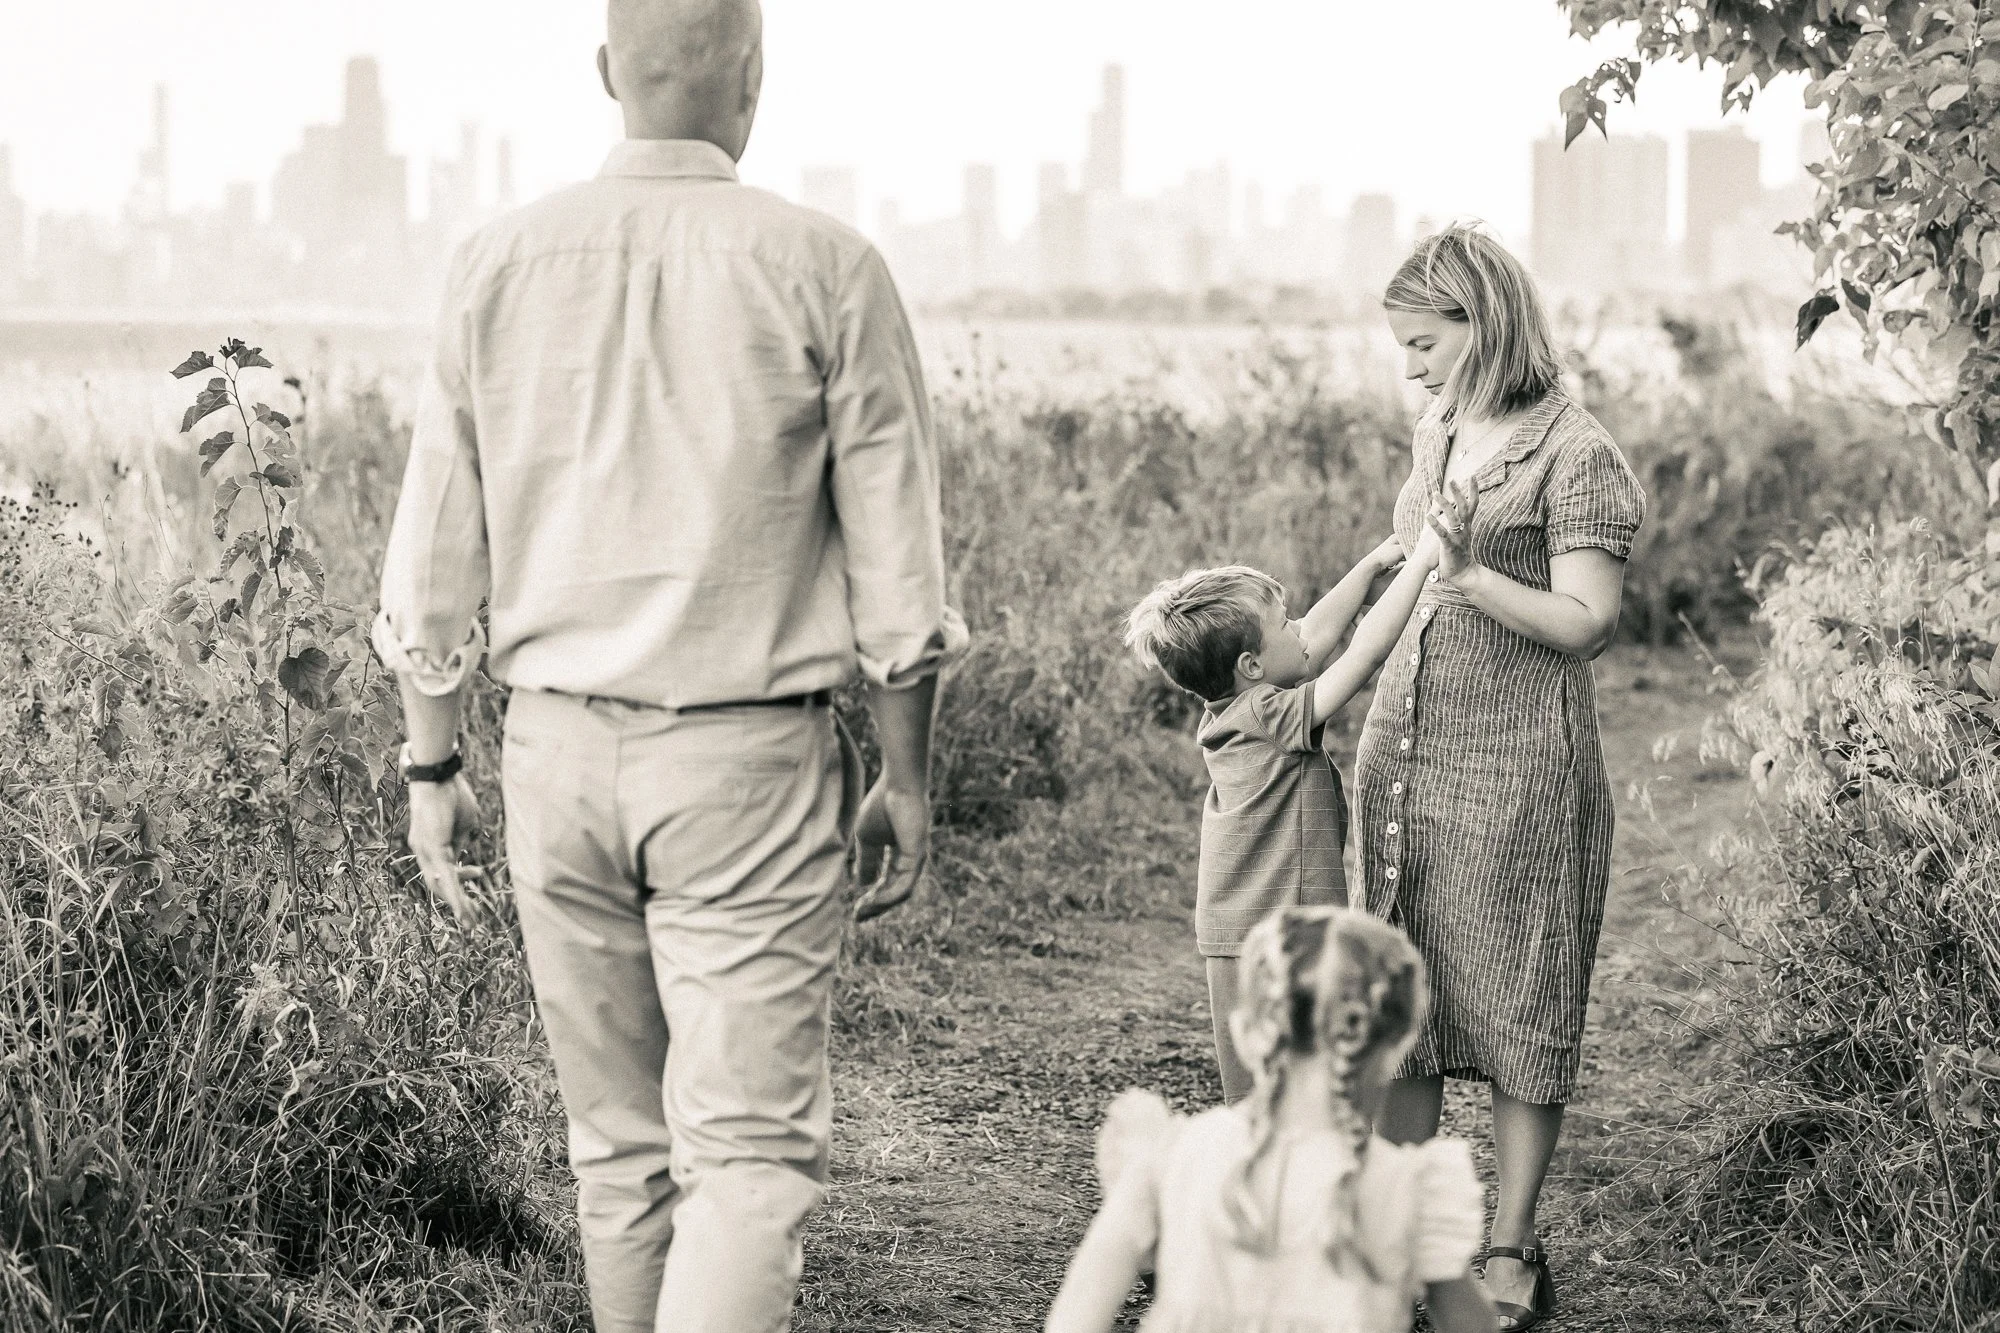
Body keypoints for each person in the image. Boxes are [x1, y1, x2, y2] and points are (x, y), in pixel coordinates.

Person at [371, 1, 965, 1329]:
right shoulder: (830, 268)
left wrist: (432, 764)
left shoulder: (493, 263)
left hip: (555, 753)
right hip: (749, 763)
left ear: (604, 74)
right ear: (755, 81)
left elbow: (432, 553)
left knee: (618, 1151)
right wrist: (908, 779)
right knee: (747, 1158)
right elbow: (899, 575)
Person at [1357, 224, 1647, 1331]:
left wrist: (1472, 578)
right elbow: (1404, 567)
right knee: (1408, 1003)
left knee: (1522, 1003)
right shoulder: (1440, 428)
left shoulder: (1576, 455)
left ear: (1483, 324)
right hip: (1408, 753)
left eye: (1425, 343)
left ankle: (1509, 1247)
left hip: (1522, 767)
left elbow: (1585, 622)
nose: (1412, 367)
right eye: (1403, 347)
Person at [1122, 512, 1461, 1104]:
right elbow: (1361, 656)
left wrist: (1373, 565)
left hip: (1233, 931)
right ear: (1252, 668)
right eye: (1284, 626)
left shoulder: (1234, 707)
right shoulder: (1270, 716)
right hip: (1286, 934)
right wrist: (1424, 563)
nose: (1300, 633)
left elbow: (1317, 635)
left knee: (1254, 1102)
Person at [1044, 906, 1497, 1333]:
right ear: (1394, 1049)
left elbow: (1076, 1316)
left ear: (1245, 1034)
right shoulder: (1409, 1190)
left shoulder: (1168, 1157)